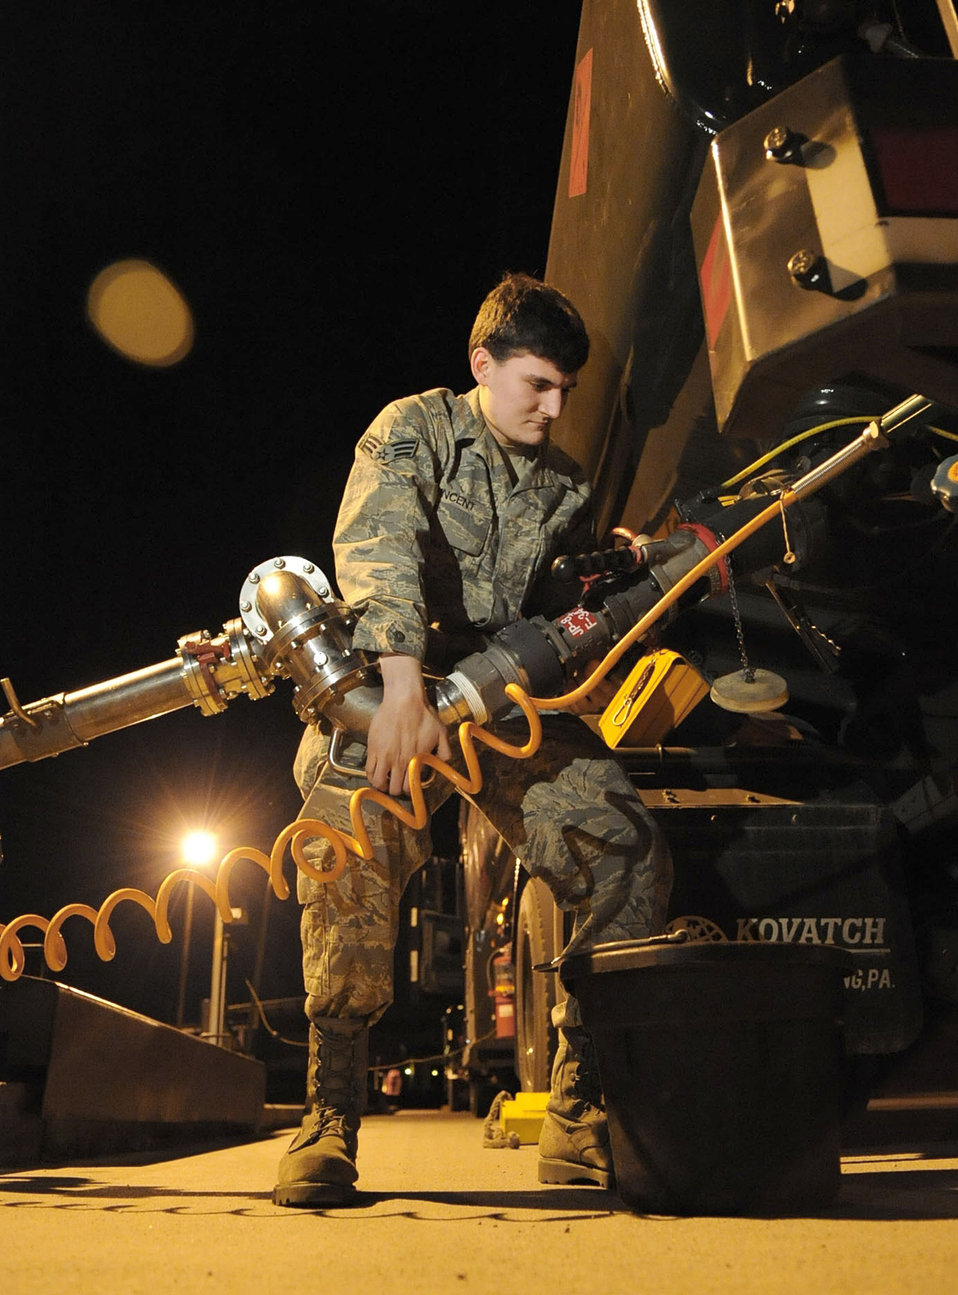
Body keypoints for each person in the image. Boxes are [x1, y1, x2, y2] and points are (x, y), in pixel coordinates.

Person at [273, 272, 672, 1207]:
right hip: (395, 688)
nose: (553, 405)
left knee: (624, 847)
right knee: (341, 857)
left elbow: (555, 608)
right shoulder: (414, 428)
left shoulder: (566, 481)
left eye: (566, 390)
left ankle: (580, 1107)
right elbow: (381, 546)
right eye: (536, 383)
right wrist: (403, 685)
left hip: (498, 701)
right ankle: (329, 1114)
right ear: (482, 364)